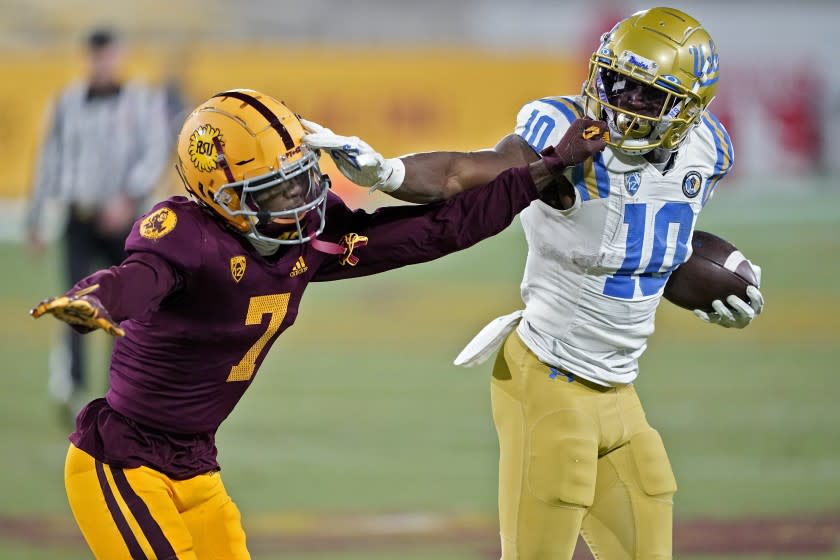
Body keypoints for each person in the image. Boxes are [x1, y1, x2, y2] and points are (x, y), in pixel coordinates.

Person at [29, 89, 608, 559]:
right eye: (274, 190)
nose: (299, 199)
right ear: (220, 196)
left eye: (301, 178)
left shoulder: (308, 237)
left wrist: (545, 170)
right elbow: (140, 275)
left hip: (196, 465)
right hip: (124, 460)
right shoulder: (188, 238)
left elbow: (434, 231)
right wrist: (98, 299)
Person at [302, 7, 765, 559]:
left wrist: (716, 282)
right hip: (549, 376)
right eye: (616, 81)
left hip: (620, 389)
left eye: (645, 95)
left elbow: (643, 235)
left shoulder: (706, 151)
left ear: (687, 109)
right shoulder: (569, 141)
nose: (621, 103)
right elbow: (463, 173)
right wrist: (386, 173)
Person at [26, 27, 169, 421]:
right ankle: (70, 386)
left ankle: (118, 390)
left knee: (123, 306)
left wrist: (129, 197)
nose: (102, 63)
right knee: (74, 301)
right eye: (96, 55)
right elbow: (50, 159)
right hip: (79, 214)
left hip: (124, 218)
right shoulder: (68, 102)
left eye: (108, 55)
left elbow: (154, 151)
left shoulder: (140, 101)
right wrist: (36, 217)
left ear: (119, 56)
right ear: (88, 57)